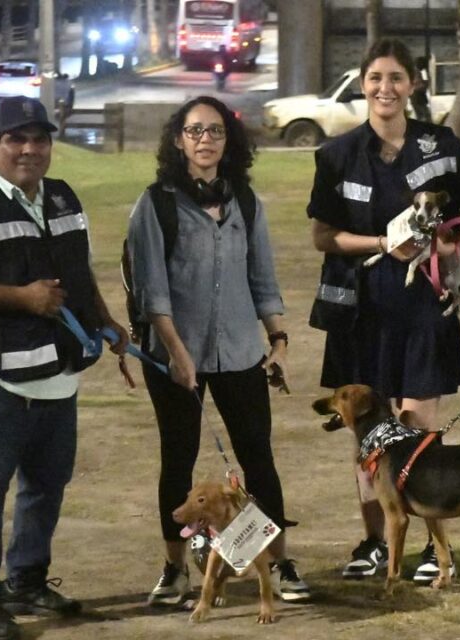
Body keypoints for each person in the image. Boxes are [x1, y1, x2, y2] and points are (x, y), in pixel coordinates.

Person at [0, 96, 129, 640]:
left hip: (58, 372)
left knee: (46, 483)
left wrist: (106, 321)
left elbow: (77, 270)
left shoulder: (62, 197)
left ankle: (27, 579)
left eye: (39, 139)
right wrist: (22, 298)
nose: (29, 149)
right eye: (16, 139)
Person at [306, 37, 460, 583]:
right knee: (368, 439)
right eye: (375, 78)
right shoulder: (336, 154)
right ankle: (373, 540)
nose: (385, 88)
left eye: (396, 78)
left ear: (412, 85)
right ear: (362, 85)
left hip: (423, 307)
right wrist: (381, 245)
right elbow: (322, 237)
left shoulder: (441, 145)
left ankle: (436, 549)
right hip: (360, 311)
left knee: (417, 429)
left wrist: (454, 245)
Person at [126, 96, 311, 606]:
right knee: (178, 461)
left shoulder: (246, 202)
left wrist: (278, 341)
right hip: (172, 356)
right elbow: (152, 291)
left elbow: (263, 280)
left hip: (238, 351)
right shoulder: (156, 203)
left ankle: (277, 564)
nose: (204, 139)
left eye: (215, 131)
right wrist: (177, 353)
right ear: (177, 139)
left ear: (230, 141)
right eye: (194, 131)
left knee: (258, 458)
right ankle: (174, 570)